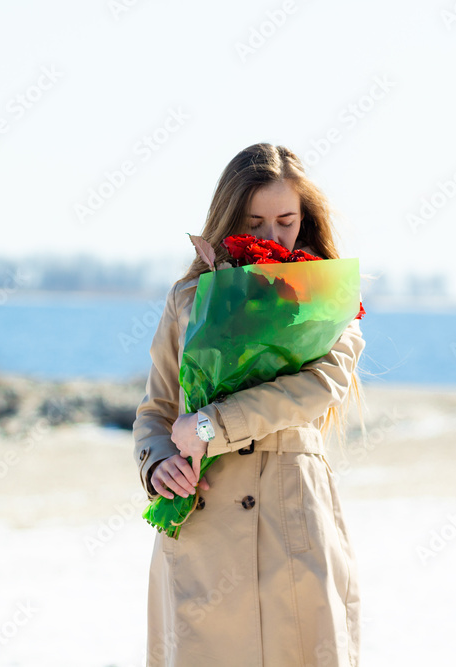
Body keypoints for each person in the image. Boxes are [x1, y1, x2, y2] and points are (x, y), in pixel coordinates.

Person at [132, 143, 366, 666]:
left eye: (285, 220)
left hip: (293, 522)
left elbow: (322, 384)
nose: (269, 237)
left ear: (305, 221)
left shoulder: (329, 299)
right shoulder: (189, 298)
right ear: (229, 218)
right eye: (253, 220)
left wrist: (216, 424)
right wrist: (158, 466)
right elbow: (157, 410)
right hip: (202, 524)